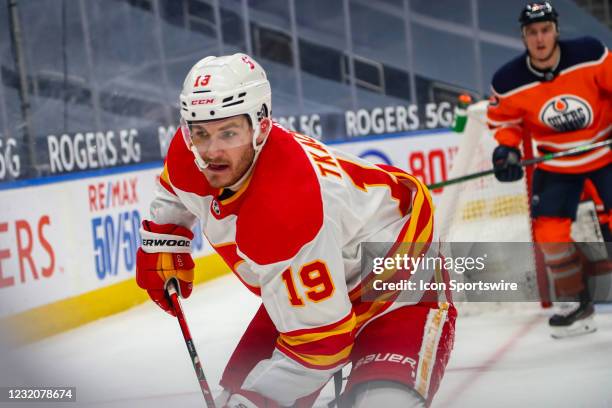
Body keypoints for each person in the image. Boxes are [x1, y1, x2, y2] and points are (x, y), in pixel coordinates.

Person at [135, 53, 455, 407]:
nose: (212, 151)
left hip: (397, 281)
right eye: (201, 133)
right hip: (317, 276)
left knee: (383, 402)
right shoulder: (189, 152)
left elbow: (322, 345)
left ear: (261, 126)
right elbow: (177, 189)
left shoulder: (284, 207)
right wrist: (165, 239)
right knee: (234, 397)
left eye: (228, 132)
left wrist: (257, 401)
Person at [487, 1, 611, 338]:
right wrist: (505, 151)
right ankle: (575, 303)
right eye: (532, 33)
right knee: (549, 232)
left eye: (545, 30)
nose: (540, 38)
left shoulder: (590, 53)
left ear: (556, 30)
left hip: (605, 151)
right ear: (524, 37)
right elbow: (506, 123)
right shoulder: (508, 80)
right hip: (555, 160)